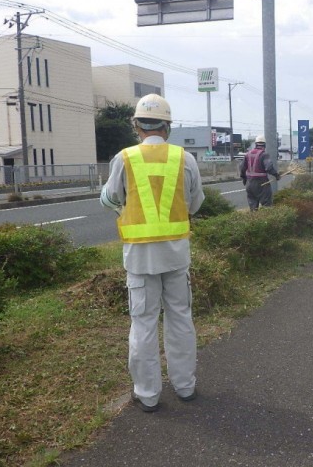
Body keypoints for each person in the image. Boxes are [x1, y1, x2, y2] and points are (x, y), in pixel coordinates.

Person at [100, 93, 205, 412]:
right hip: (176, 255)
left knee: (143, 324)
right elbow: (197, 202)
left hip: (140, 258)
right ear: (168, 127)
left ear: (136, 125)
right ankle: (185, 387)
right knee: (180, 319)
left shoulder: (125, 158)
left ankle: (148, 394)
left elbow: (108, 199)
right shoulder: (184, 158)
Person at [239, 135, 281, 211]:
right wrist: (276, 175)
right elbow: (269, 168)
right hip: (262, 184)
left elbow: (242, 168)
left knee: (253, 207)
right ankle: (266, 221)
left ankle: (254, 221)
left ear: (255, 144)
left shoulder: (247, 154)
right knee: (267, 206)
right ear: (264, 145)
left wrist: (244, 179)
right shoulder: (264, 155)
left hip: (249, 184)